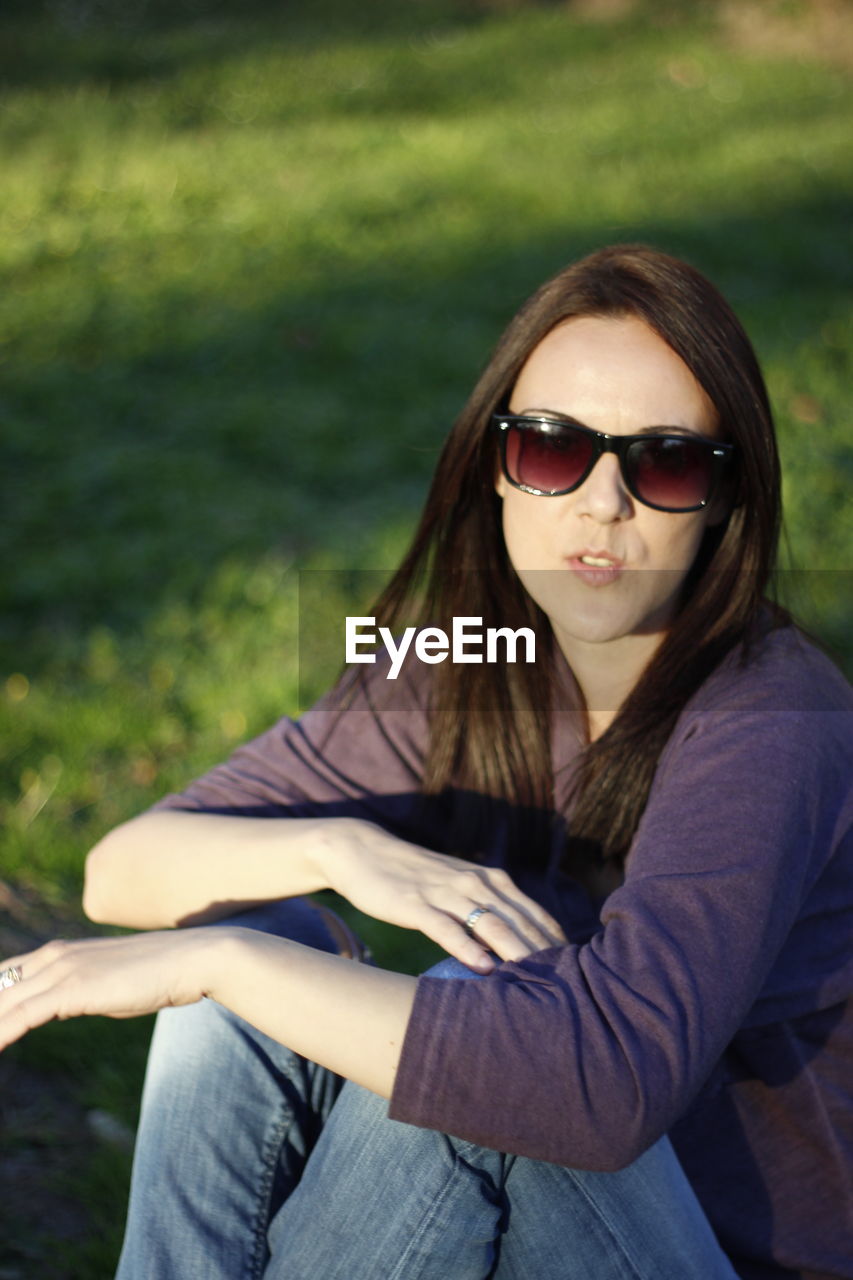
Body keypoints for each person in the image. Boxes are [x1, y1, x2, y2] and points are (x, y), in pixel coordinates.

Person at [0, 245, 850, 1280]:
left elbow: (600, 1081)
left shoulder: (773, 717)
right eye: (552, 450)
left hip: (720, 1253)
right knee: (259, 945)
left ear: (721, 497)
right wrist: (338, 847)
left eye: (664, 461)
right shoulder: (469, 662)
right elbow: (121, 870)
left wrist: (211, 961)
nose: (600, 504)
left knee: (469, 1039)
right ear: (498, 466)